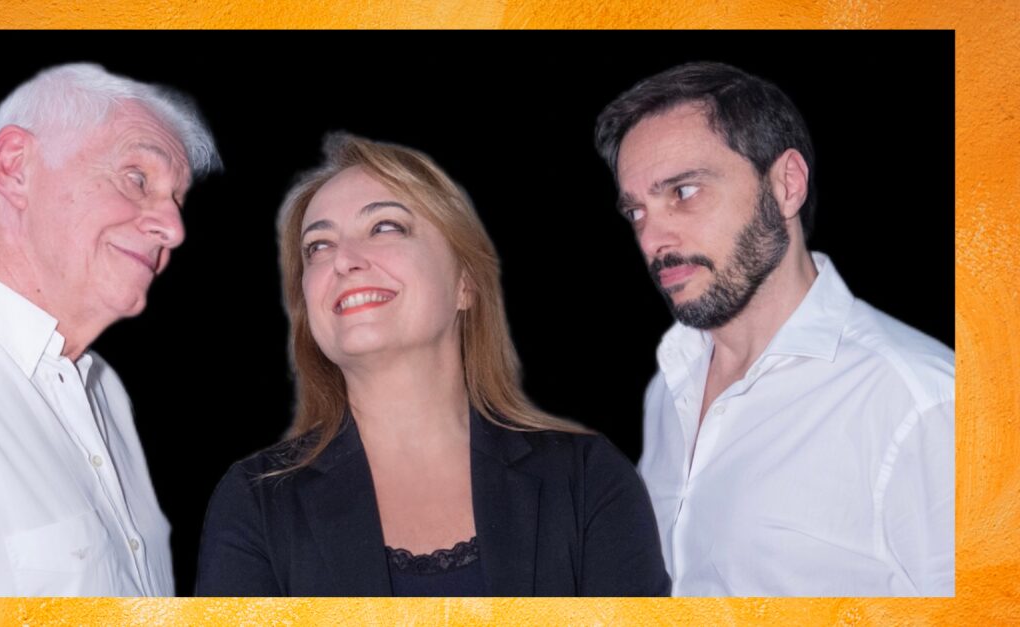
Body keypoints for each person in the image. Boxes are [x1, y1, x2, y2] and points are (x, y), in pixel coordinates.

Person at [195, 134, 669, 596]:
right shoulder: (254, 504)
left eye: (385, 227)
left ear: (464, 283)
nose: (343, 261)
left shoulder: (587, 481)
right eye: (318, 247)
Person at [593, 61, 954, 596]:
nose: (652, 240)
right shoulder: (669, 387)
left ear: (787, 184)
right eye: (637, 212)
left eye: (684, 192)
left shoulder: (920, 404)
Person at [0, 63, 221, 596]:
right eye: (137, 179)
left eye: (177, 200)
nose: (175, 230)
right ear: (16, 167)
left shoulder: (105, 391)